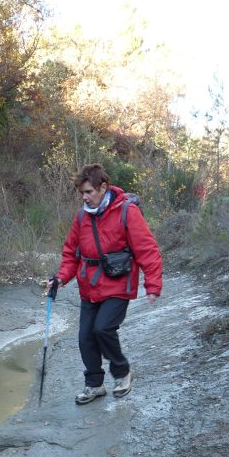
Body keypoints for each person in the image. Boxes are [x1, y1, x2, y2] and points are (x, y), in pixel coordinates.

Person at [48, 164, 163, 404]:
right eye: (81, 193)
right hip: (89, 285)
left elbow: (147, 250)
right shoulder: (82, 217)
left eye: (89, 192)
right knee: (85, 337)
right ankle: (94, 385)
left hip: (119, 282)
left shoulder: (127, 212)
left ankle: (122, 372)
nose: (84, 197)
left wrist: (152, 285)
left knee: (103, 328)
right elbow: (71, 253)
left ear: (103, 187)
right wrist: (60, 278)